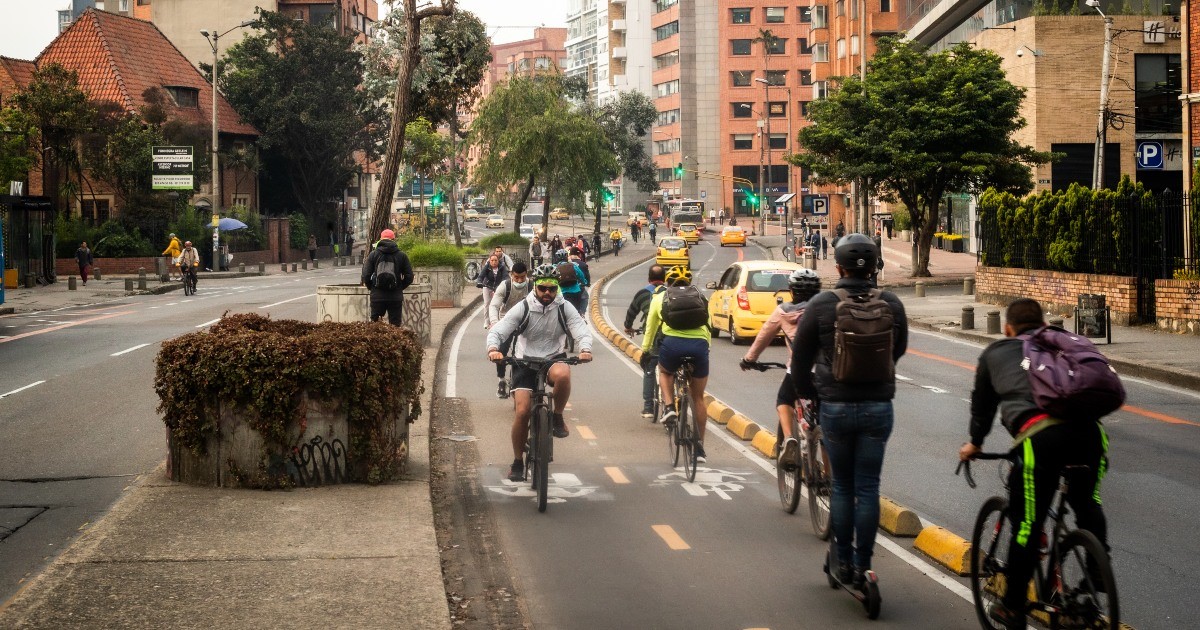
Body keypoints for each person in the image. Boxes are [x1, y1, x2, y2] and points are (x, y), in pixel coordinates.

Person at [959, 298, 1110, 630]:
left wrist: (975, 443)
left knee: (1028, 524)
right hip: (1090, 436)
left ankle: (1012, 606)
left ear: (1008, 328)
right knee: (1088, 503)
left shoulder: (995, 354)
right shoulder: (1058, 344)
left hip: (1040, 440)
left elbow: (982, 409)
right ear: (1042, 323)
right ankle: (1097, 574)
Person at [791, 233, 907, 587]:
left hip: (836, 408)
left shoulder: (822, 304)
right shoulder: (891, 303)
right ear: (875, 266)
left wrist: (811, 394)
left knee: (842, 486)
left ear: (837, 266)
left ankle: (841, 560)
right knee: (868, 487)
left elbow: (800, 361)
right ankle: (864, 565)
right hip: (878, 407)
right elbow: (897, 350)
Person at [486, 264, 593, 481]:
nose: (547, 293)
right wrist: (493, 349)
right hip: (524, 361)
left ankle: (557, 416)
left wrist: (585, 349)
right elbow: (499, 330)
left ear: (557, 289)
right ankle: (517, 462)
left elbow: (580, 330)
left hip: (553, 357)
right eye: (543, 288)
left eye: (552, 289)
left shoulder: (564, 307)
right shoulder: (524, 307)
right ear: (535, 287)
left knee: (564, 374)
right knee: (523, 411)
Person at [741, 268, 821, 464]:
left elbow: (764, 336)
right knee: (825, 429)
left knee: (784, 399)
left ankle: (789, 439)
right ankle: (827, 479)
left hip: (798, 370)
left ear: (792, 291)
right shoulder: (826, 308)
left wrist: (749, 359)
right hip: (826, 371)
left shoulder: (784, 311)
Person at [641, 266, 711, 463]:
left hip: (672, 345)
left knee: (664, 372)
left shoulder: (659, 298)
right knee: (698, 398)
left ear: (667, 283)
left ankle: (670, 406)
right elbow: (709, 326)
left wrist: (645, 350)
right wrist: (706, 350)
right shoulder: (700, 297)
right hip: (699, 346)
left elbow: (651, 327)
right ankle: (698, 448)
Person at [624, 265, 666, 418]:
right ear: (665, 279)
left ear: (649, 279)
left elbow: (631, 312)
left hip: (654, 337)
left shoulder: (643, 294)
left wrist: (628, 327)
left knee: (649, 369)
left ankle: (648, 407)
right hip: (671, 337)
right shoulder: (669, 293)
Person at [487, 261, 530, 398]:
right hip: (506, 321)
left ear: (526, 275)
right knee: (502, 351)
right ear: (511, 275)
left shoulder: (532, 286)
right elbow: (494, 306)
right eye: (516, 277)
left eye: (522, 277)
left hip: (525, 321)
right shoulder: (505, 286)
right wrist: (494, 322)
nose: (519, 280)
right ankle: (501, 380)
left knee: (528, 351)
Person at [361, 229, 414, 325]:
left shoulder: (373, 254)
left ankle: (377, 340)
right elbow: (409, 276)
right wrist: (399, 287)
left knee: (375, 326)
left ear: (380, 240)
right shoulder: (401, 255)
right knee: (395, 325)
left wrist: (372, 287)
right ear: (394, 239)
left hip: (377, 295)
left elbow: (366, 275)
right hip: (395, 296)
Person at [478, 253, 510, 328]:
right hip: (487, 286)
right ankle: (486, 321)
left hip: (498, 287)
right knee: (487, 304)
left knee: (499, 304)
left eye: (495, 260)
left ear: (498, 261)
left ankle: (498, 320)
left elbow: (506, 277)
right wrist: (479, 282)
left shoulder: (502, 267)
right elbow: (481, 276)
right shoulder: (487, 267)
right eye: (492, 260)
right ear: (489, 261)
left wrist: (505, 283)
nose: (494, 262)